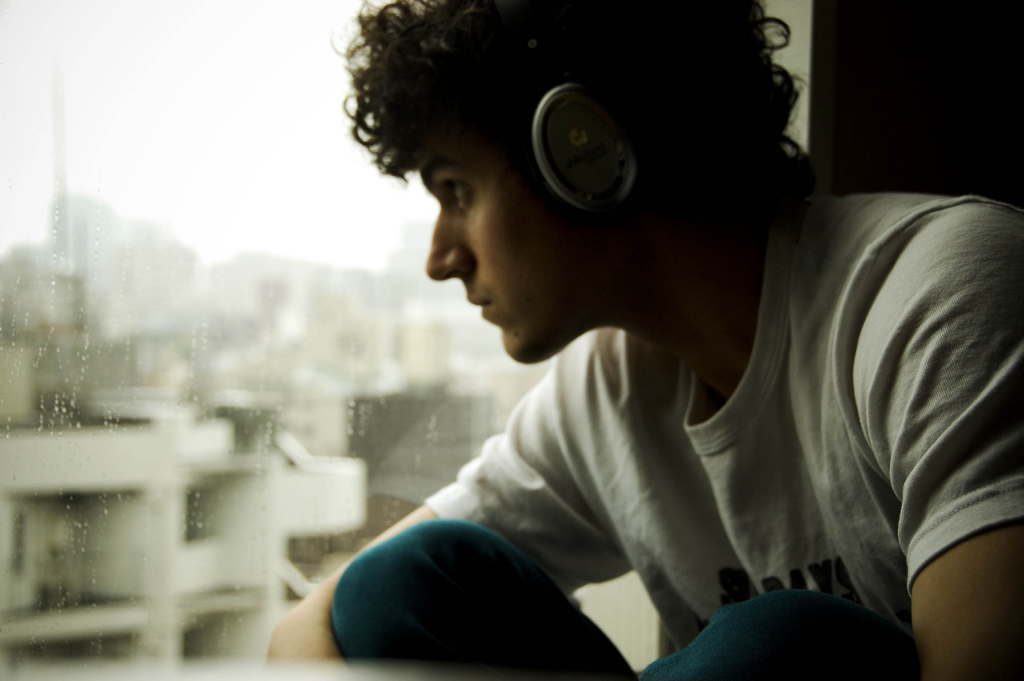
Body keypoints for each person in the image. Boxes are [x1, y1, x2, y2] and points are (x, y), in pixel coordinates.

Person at [267, 0, 1024, 678]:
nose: (440, 259)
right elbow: (321, 618)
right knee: (399, 583)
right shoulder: (609, 392)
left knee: (778, 647)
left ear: (580, 151)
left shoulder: (944, 292)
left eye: (456, 191)